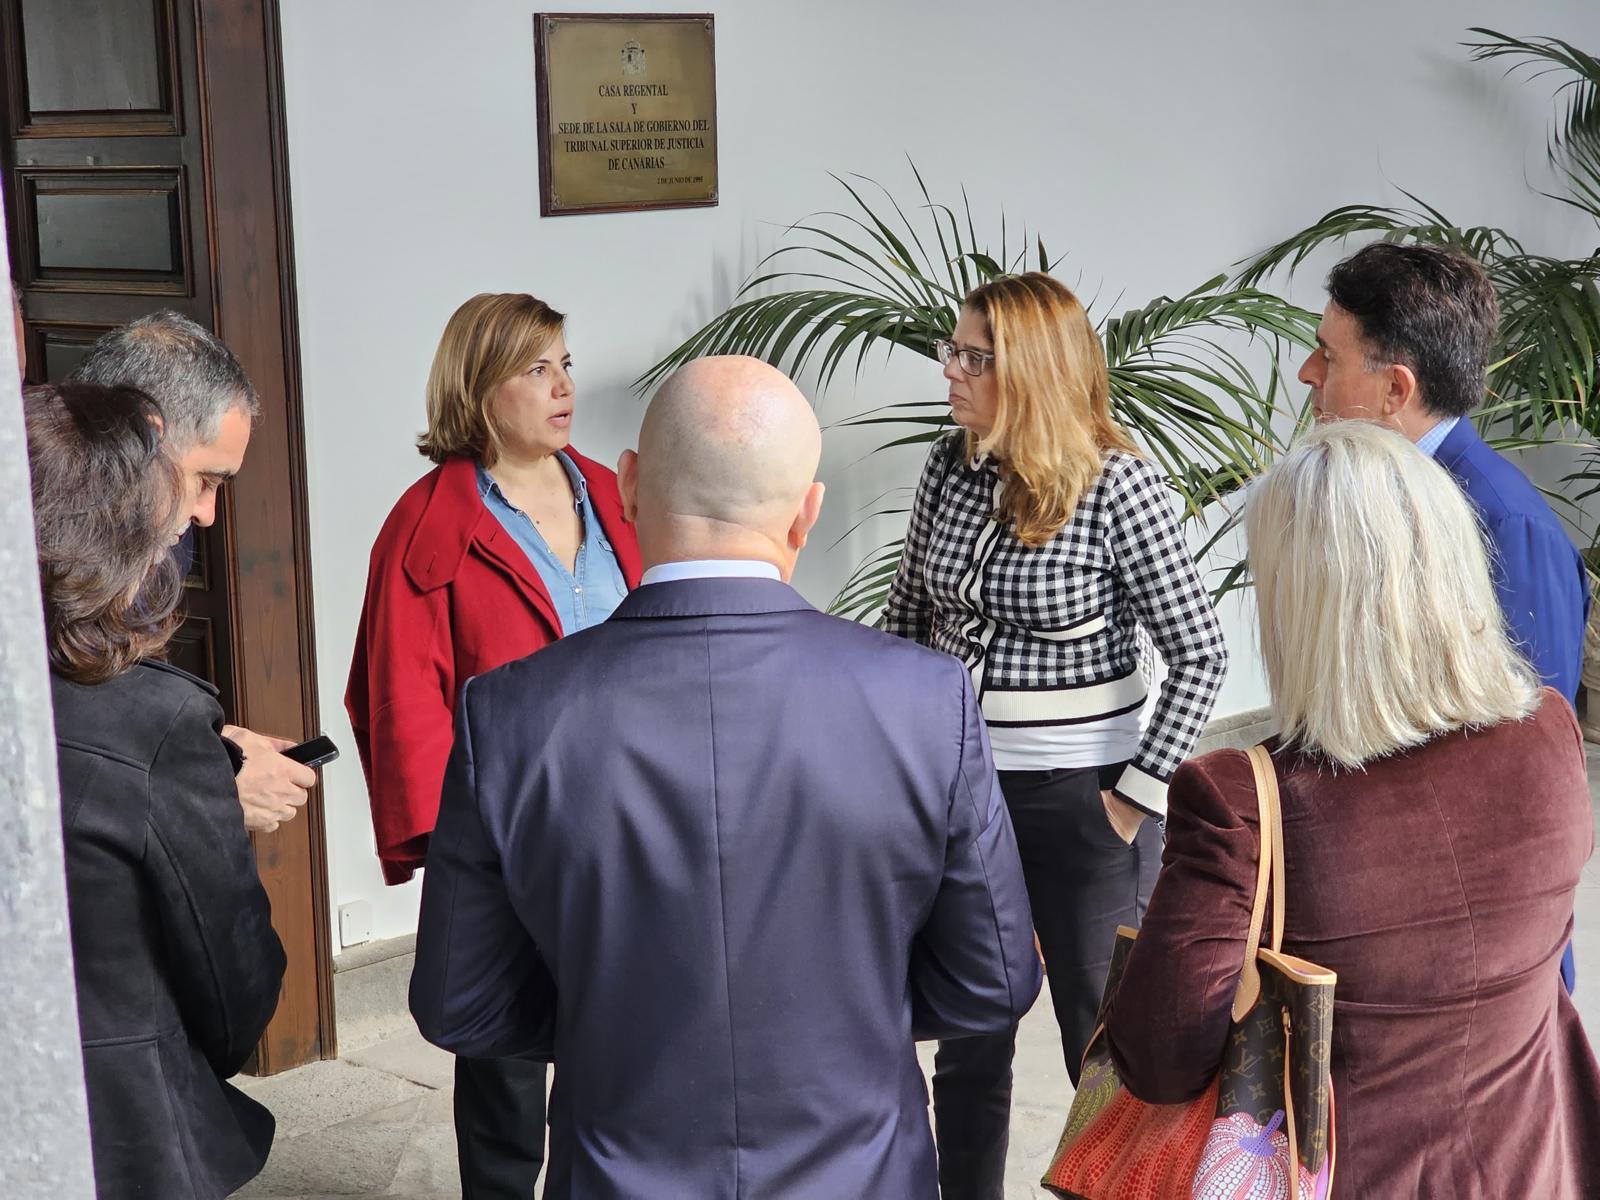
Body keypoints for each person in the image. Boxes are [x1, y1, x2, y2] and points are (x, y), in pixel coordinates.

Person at [409, 355, 1041, 1199]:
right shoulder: (926, 699)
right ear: (806, 514)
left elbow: (459, 1001)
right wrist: (854, 1017)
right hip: (862, 1173)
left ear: (628, 488)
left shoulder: (510, 714)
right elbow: (993, 980)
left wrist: (610, 1027)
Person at [1104, 420, 1600, 1198]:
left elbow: (1159, 1062)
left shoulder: (1240, 799)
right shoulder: (1548, 735)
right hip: (1533, 1163)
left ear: (1299, 605)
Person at [880, 272, 1227, 1198]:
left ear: (1030, 370)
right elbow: (907, 617)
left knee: (1103, 1041)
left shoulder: (1121, 484)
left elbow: (1201, 652)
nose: (949, 370)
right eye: (952, 350)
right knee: (969, 1029)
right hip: (957, 794)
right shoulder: (950, 468)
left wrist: (1129, 804)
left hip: (1084, 805)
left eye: (974, 357)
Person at [347, 292, 640, 1198]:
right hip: (510, 833)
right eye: (535, 369)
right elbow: (399, 696)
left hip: (633, 817)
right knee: (506, 1067)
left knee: (629, 1047)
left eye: (565, 364)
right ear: (479, 390)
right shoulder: (429, 522)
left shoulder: (614, 490)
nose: (564, 387)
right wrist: (451, 843)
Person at [1300, 241, 1591, 991]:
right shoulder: (1380, 501)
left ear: (1395, 388)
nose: (1307, 376)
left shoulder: (1503, 523)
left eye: (1328, 358)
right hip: (1398, 911)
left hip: (1481, 949)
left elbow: (1531, 770)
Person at [33, 381, 286, 1198]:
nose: (190, 521)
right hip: (118, 1126)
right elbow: (231, 975)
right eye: (179, 494)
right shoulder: (158, 721)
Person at [69, 311, 317, 835]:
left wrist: (212, 746)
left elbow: (112, 713)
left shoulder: (161, 553)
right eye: (205, 479)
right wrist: (211, 790)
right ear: (143, 438)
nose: (207, 514)